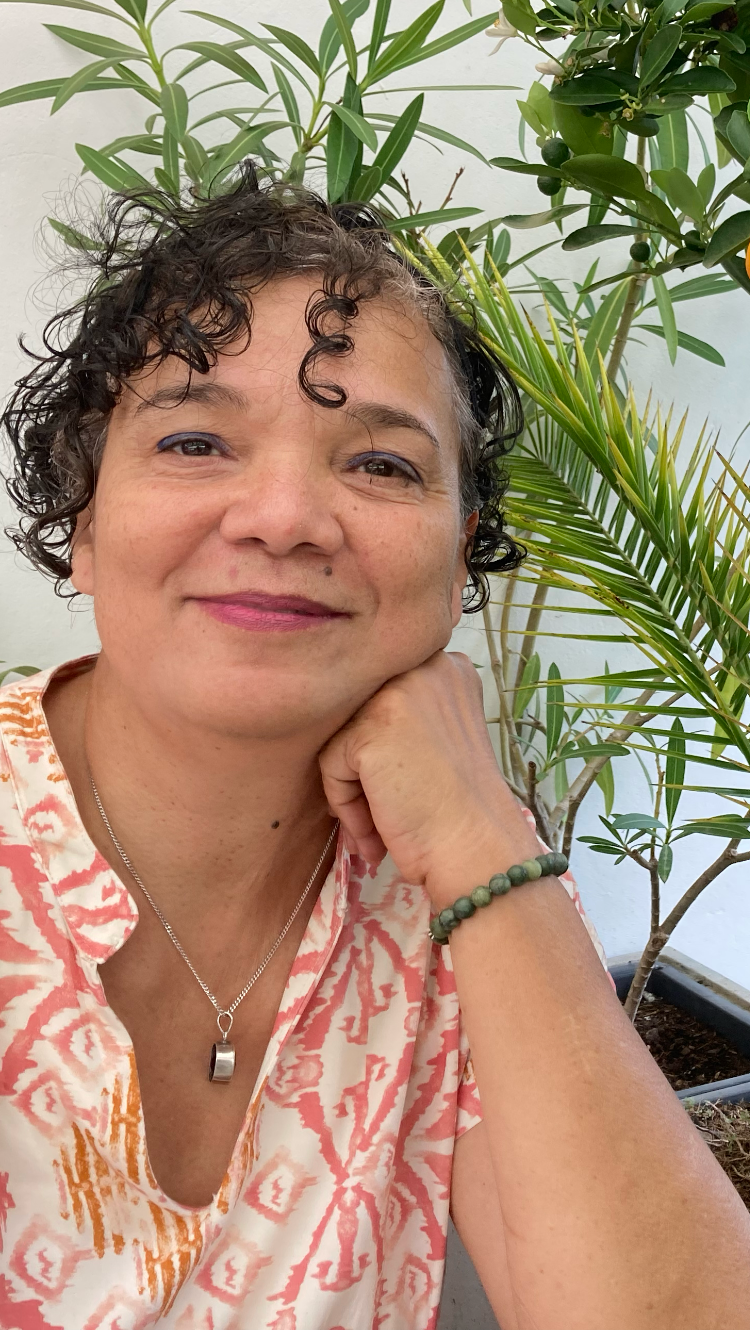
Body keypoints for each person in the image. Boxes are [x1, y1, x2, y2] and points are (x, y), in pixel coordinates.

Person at [0, 168, 748, 1330]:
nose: (283, 515)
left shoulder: (462, 888)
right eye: (195, 440)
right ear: (82, 521)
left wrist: (482, 833)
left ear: (459, 559)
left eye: (382, 464)